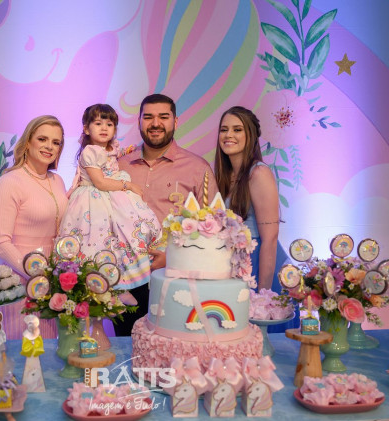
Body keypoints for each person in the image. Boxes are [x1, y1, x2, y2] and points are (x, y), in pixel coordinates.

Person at [116, 94, 219, 335]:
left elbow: (212, 231)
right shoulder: (119, 165)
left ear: (175, 121)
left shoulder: (197, 168)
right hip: (125, 279)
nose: (155, 123)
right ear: (139, 121)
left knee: (172, 347)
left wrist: (173, 255)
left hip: (175, 277)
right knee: (126, 347)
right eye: (148, 117)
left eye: (163, 117)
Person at [59, 104, 161, 290]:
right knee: (97, 239)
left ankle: (124, 279)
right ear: (86, 128)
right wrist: (128, 186)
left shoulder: (110, 147)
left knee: (123, 234)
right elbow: (100, 182)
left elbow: (113, 155)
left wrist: (126, 151)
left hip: (111, 196)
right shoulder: (90, 151)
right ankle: (104, 281)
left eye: (109, 124)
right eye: (98, 123)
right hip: (94, 199)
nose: (104, 128)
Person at [0, 115, 68, 339]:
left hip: (53, 281)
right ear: (27, 142)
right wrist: (35, 275)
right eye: (42, 139)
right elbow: (0, 243)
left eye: (56, 142)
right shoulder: (10, 182)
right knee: (24, 350)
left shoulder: (57, 181)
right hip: (20, 281)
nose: (49, 146)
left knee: (50, 350)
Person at [214, 106, 279, 290]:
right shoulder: (224, 176)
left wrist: (263, 294)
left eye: (237, 130)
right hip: (231, 266)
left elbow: (270, 238)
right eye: (224, 129)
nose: (228, 135)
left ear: (251, 135)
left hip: (256, 264)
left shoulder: (258, 173)